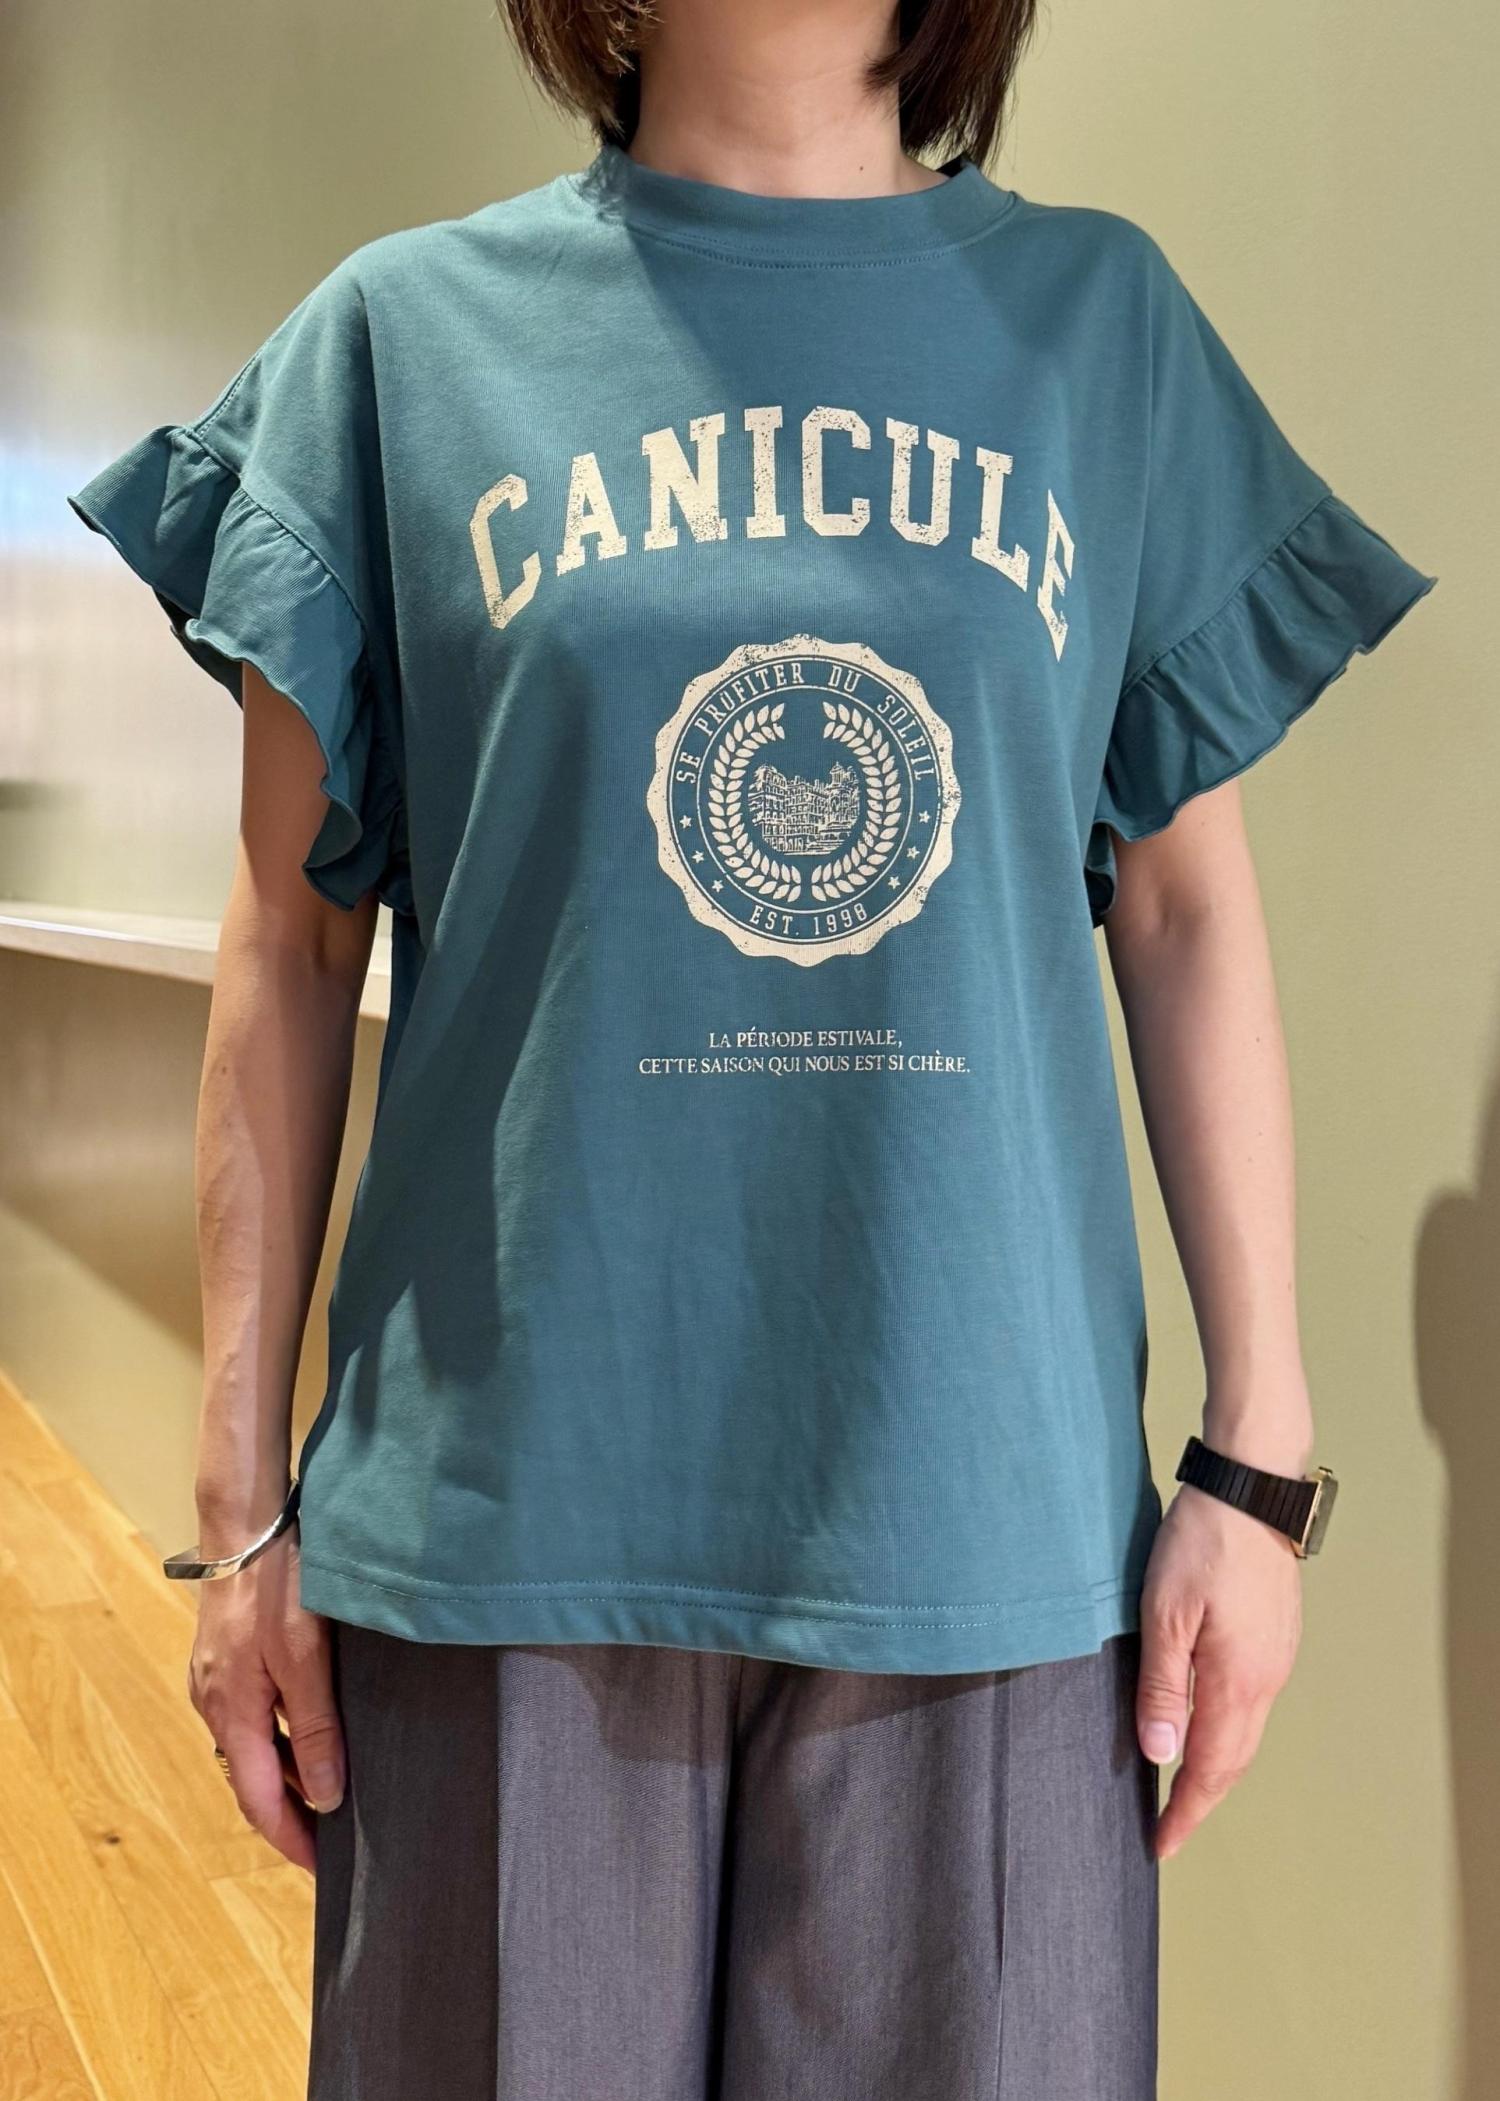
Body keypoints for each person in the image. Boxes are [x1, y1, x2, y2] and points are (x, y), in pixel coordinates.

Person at [65, 1, 1436, 2094]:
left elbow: (1181, 910)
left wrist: (1254, 1467)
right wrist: (240, 1509)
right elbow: (289, 935)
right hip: (504, 1526)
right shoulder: (401, 347)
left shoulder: (1103, 331)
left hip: (981, 1524)